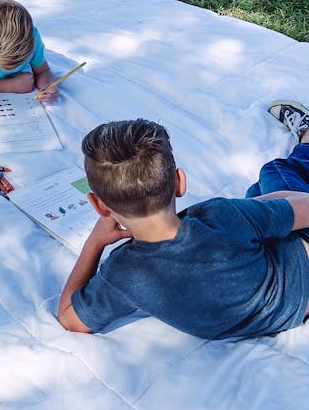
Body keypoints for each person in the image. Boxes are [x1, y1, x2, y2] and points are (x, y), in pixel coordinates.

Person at [57, 114, 309, 340]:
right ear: (179, 183)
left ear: (99, 206)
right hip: (299, 275)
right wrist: (258, 208)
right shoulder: (219, 216)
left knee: (257, 193)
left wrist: (95, 242)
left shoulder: (122, 273)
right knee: (275, 171)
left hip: (278, 313)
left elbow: (69, 318)